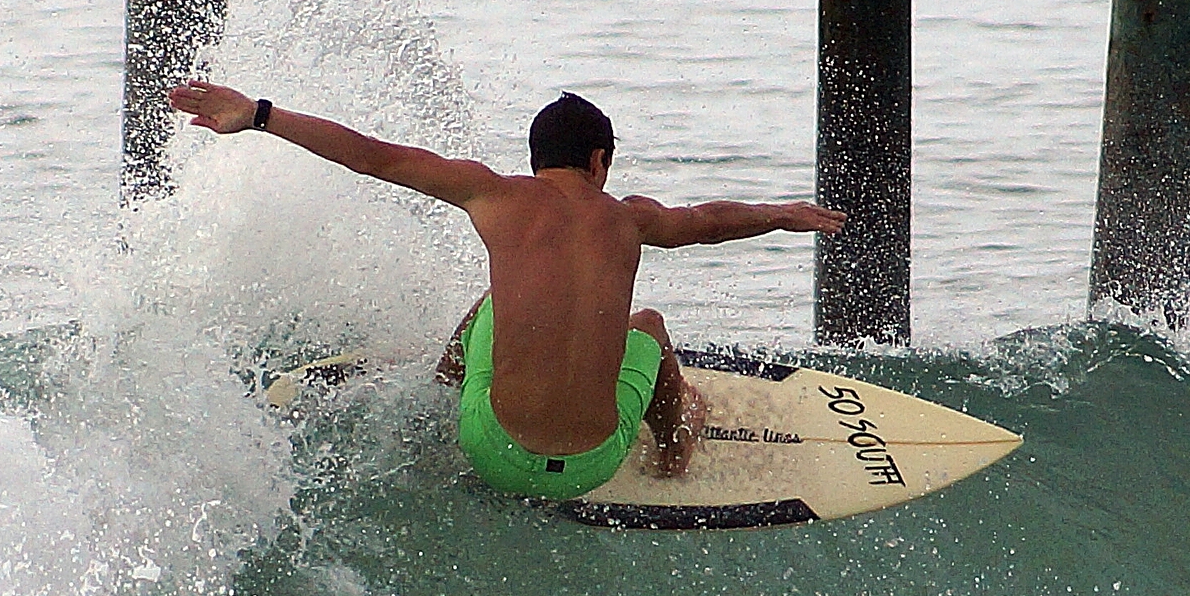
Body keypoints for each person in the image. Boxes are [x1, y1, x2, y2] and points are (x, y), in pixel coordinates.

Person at [168, 83, 845, 500]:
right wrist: (783, 215)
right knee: (649, 325)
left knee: (493, 305)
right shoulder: (628, 219)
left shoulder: (491, 195)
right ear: (600, 160)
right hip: (591, 466)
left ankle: (438, 392)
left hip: (493, 451)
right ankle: (675, 444)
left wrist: (259, 114)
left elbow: (372, 156)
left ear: (534, 159)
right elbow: (708, 222)